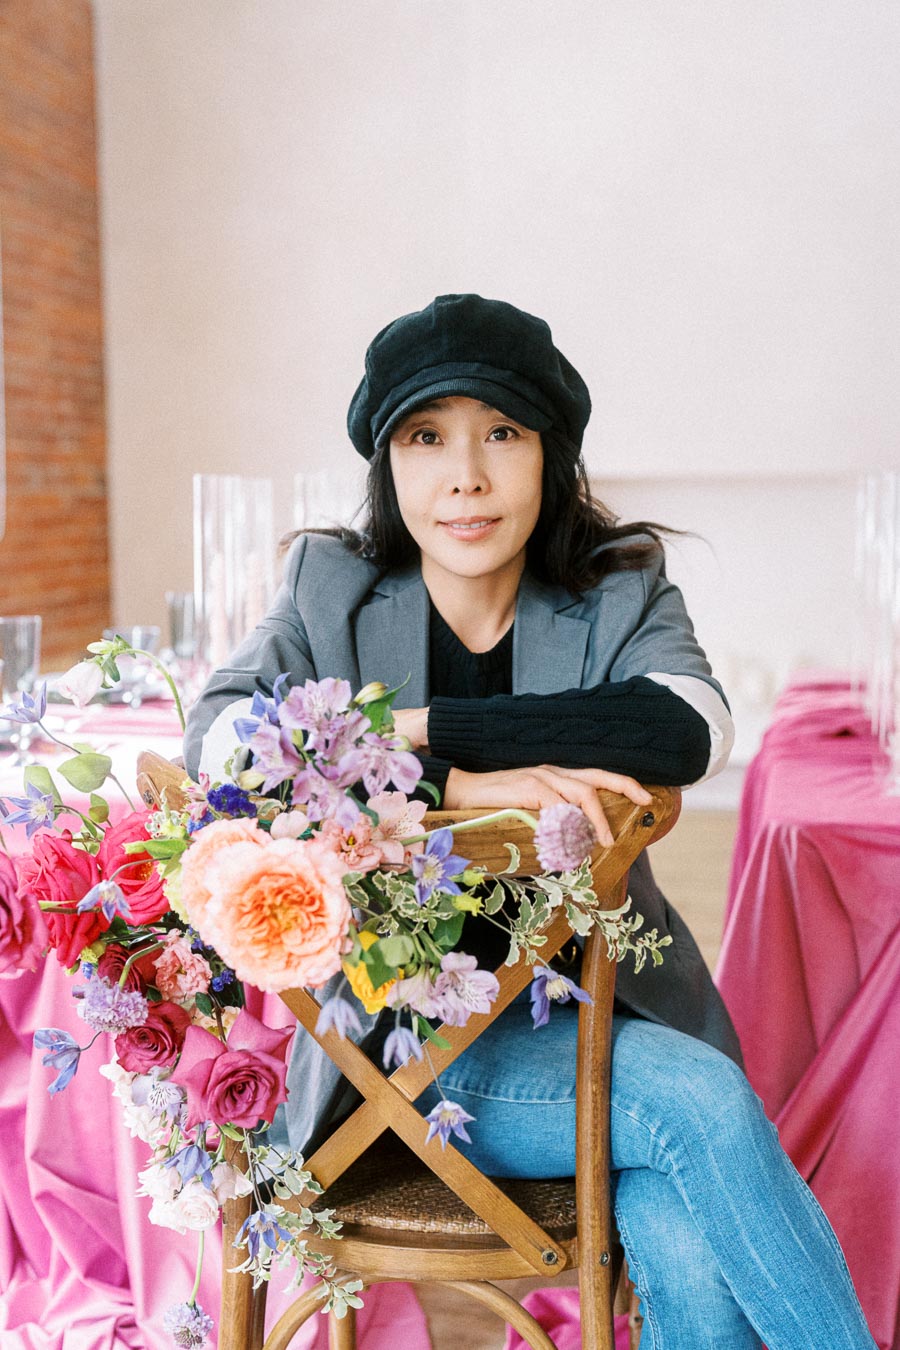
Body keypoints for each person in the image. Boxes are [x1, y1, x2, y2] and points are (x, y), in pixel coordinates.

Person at [184, 293, 876, 1349]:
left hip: (603, 1026)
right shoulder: (330, 589)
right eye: (426, 438)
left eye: (502, 432)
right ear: (388, 464)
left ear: (551, 453)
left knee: (680, 1230)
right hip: (402, 1057)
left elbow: (686, 725)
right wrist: (453, 783)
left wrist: (428, 727)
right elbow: (227, 749)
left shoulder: (618, 589)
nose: (466, 475)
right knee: (700, 1105)